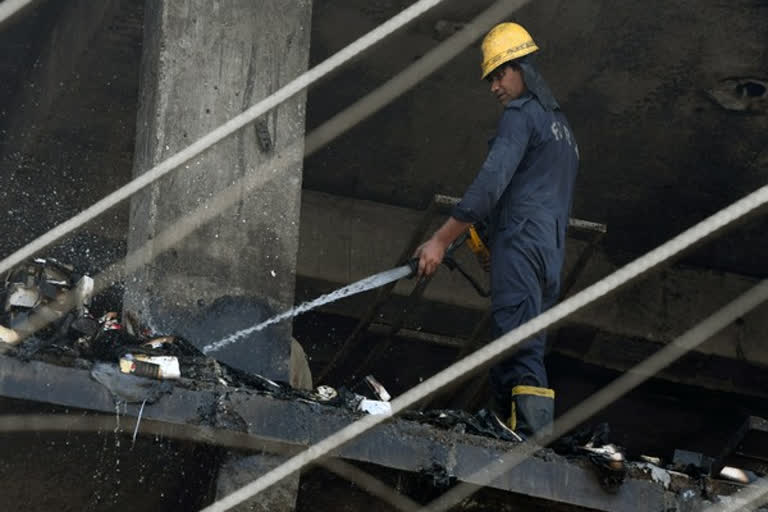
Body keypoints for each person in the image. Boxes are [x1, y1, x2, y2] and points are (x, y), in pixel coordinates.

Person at [414, 22, 579, 439]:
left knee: (516, 343)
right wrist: (483, 236)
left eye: (498, 74)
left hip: (522, 243)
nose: (493, 86)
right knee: (523, 340)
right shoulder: (563, 132)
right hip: (549, 253)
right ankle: (509, 431)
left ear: (521, 66)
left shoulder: (521, 115)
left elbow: (490, 186)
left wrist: (441, 239)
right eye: (490, 78)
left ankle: (525, 438)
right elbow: (532, 191)